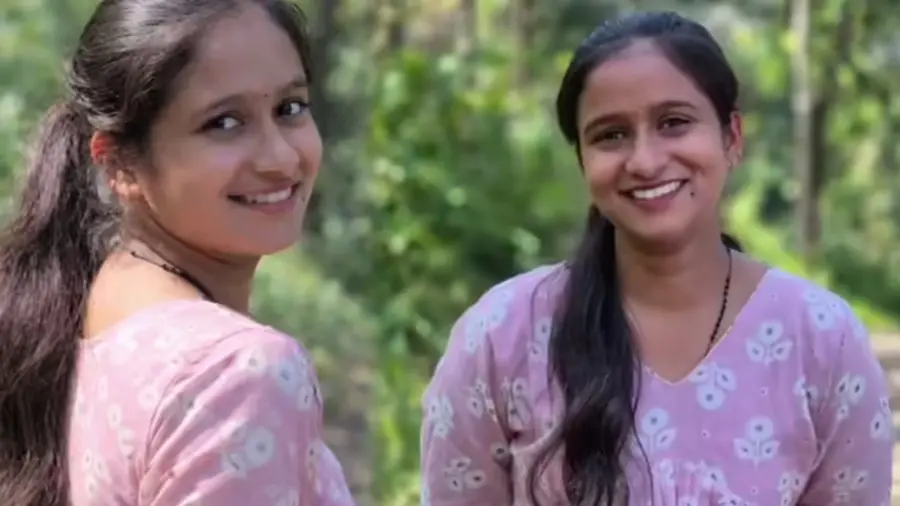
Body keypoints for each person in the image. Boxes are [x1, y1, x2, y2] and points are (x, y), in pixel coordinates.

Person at [420, 10, 892, 506]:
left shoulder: (821, 340)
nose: (645, 161)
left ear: (732, 137)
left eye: (674, 123)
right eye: (610, 135)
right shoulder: (502, 338)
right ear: (583, 160)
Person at [0, 0, 356, 504]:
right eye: (224, 123)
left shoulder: (82, 310)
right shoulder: (236, 372)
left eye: (290, 108)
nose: (280, 158)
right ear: (120, 164)